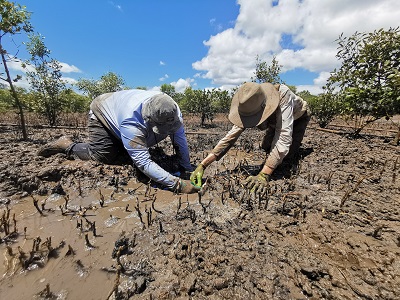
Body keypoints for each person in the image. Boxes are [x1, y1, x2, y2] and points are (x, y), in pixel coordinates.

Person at [37, 89, 200, 194]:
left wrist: (187, 168)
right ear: (148, 119)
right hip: (103, 112)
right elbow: (143, 162)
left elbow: (180, 140)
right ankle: (66, 145)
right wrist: (178, 185)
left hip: (122, 113)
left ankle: (124, 146)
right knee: (103, 155)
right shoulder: (131, 121)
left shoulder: (172, 109)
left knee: (132, 151)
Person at [190, 82, 310, 195]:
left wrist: (264, 174)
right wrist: (203, 165)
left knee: (286, 158)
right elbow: (230, 136)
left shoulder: (283, 94)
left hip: (297, 118)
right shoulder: (250, 104)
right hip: (273, 122)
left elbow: (283, 136)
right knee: (266, 147)